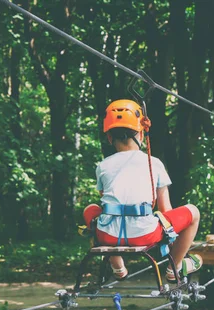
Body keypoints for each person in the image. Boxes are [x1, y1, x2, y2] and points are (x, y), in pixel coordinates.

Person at [83, 99, 202, 282]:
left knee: (90, 210)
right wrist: (172, 244)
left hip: (108, 236)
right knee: (193, 212)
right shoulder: (154, 163)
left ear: (109, 137)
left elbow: (105, 203)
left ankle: (118, 267)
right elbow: (166, 211)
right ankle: (174, 267)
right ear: (140, 133)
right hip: (145, 235)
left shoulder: (103, 166)